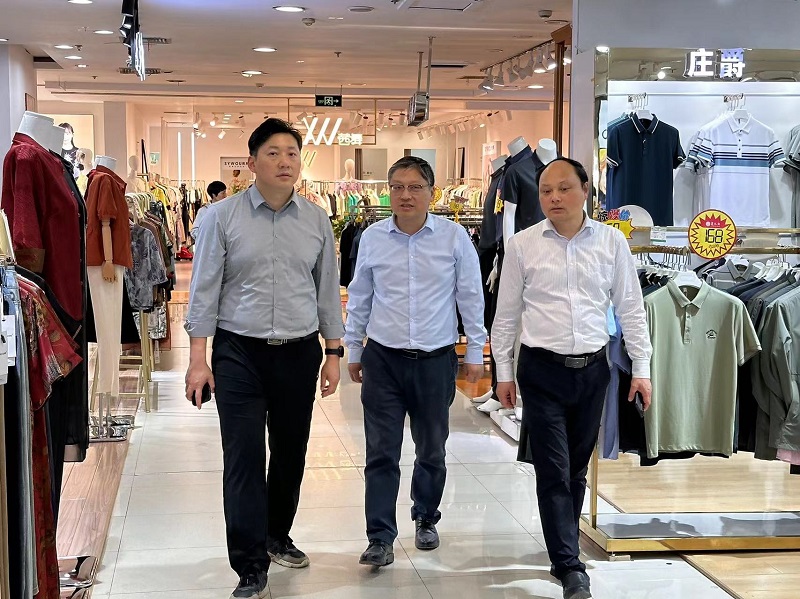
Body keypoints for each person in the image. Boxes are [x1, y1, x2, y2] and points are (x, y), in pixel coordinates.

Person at [184, 118, 345, 599]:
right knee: (244, 457)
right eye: (273, 153)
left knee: (292, 451)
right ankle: (250, 563)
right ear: (252, 163)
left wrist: (333, 353)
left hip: (298, 352)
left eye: (292, 153)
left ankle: (277, 535)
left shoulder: (317, 220)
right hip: (239, 353)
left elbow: (326, 292)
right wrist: (198, 359)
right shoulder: (221, 217)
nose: (284, 161)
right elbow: (204, 289)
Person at [491, 158, 652, 599]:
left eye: (563, 188)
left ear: (586, 191)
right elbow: (506, 315)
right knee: (553, 469)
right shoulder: (523, 244)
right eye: (545, 190)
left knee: (576, 469)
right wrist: (502, 372)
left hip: (593, 371)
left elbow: (631, 308)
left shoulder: (611, 242)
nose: (554, 198)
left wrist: (641, 369)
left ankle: (563, 546)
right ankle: (568, 563)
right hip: (541, 371)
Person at [345, 156, 487, 567]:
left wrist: (474, 351)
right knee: (381, 452)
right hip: (383, 360)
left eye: (415, 187)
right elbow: (360, 295)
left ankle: (426, 516)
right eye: (397, 187)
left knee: (431, 449)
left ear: (431, 192)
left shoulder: (454, 238)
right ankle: (380, 537)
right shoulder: (372, 237)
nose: (405, 195)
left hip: (434, 361)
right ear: (388, 192)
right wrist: (354, 348)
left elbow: (470, 297)